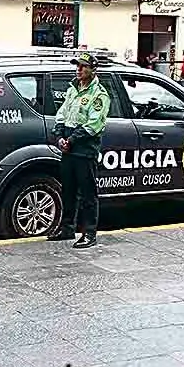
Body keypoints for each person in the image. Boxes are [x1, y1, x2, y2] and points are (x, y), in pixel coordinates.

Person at [48, 52, 111, 249]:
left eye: (84, 66)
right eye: (78, 65)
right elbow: (62, 113)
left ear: (93, 70)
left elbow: (94, 124)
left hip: (84, 149)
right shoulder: (72, 89)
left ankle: (89, 233)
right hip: (68, 148)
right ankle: (67, 228)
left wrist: (71, 140)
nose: (79, 69)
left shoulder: (99, 95)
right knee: (68, 191)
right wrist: (59, 135)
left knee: (88, 194)